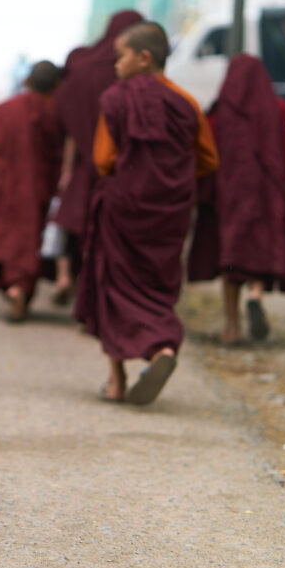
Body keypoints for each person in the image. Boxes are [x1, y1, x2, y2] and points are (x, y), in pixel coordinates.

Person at [75, 21, 218, 405]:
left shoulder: (117, 98)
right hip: (170, 214)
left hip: (122, 207)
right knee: (155, 286)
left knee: (114, 284)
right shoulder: (186, 102)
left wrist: (134, 172)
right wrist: (170, 177)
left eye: (120, 56)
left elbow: (104, 161)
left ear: (144, 58)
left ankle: (117, 381)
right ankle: (163, 349)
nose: (115, 65)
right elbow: (208, 159)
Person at [187, 54, 285, 344]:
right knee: (260, 248)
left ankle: (231, 327)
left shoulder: (218, 113)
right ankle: (256, 293)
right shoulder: (277, 108)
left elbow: (204, 154)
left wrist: (198, 192)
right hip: (268, 193)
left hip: (229, 196)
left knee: (231, 257)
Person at [52, 10, 144, 303]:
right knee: (104, 232)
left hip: (82, 161)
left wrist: (66, 170)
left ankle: (65, 277)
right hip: (117, 167)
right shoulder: (128, 74)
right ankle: (92, 298)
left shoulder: (81, 65)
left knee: (71, 222)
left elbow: (67, 126)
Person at [0, 60, 64, 321]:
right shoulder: (55, 111)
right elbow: (57, 151)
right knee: (29, 237)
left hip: (2, 181)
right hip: (38, 183)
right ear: (57, 85)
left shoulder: (6, 109)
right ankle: (19, 287)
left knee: (3, 233)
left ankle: (14, 287)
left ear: (28, 80)